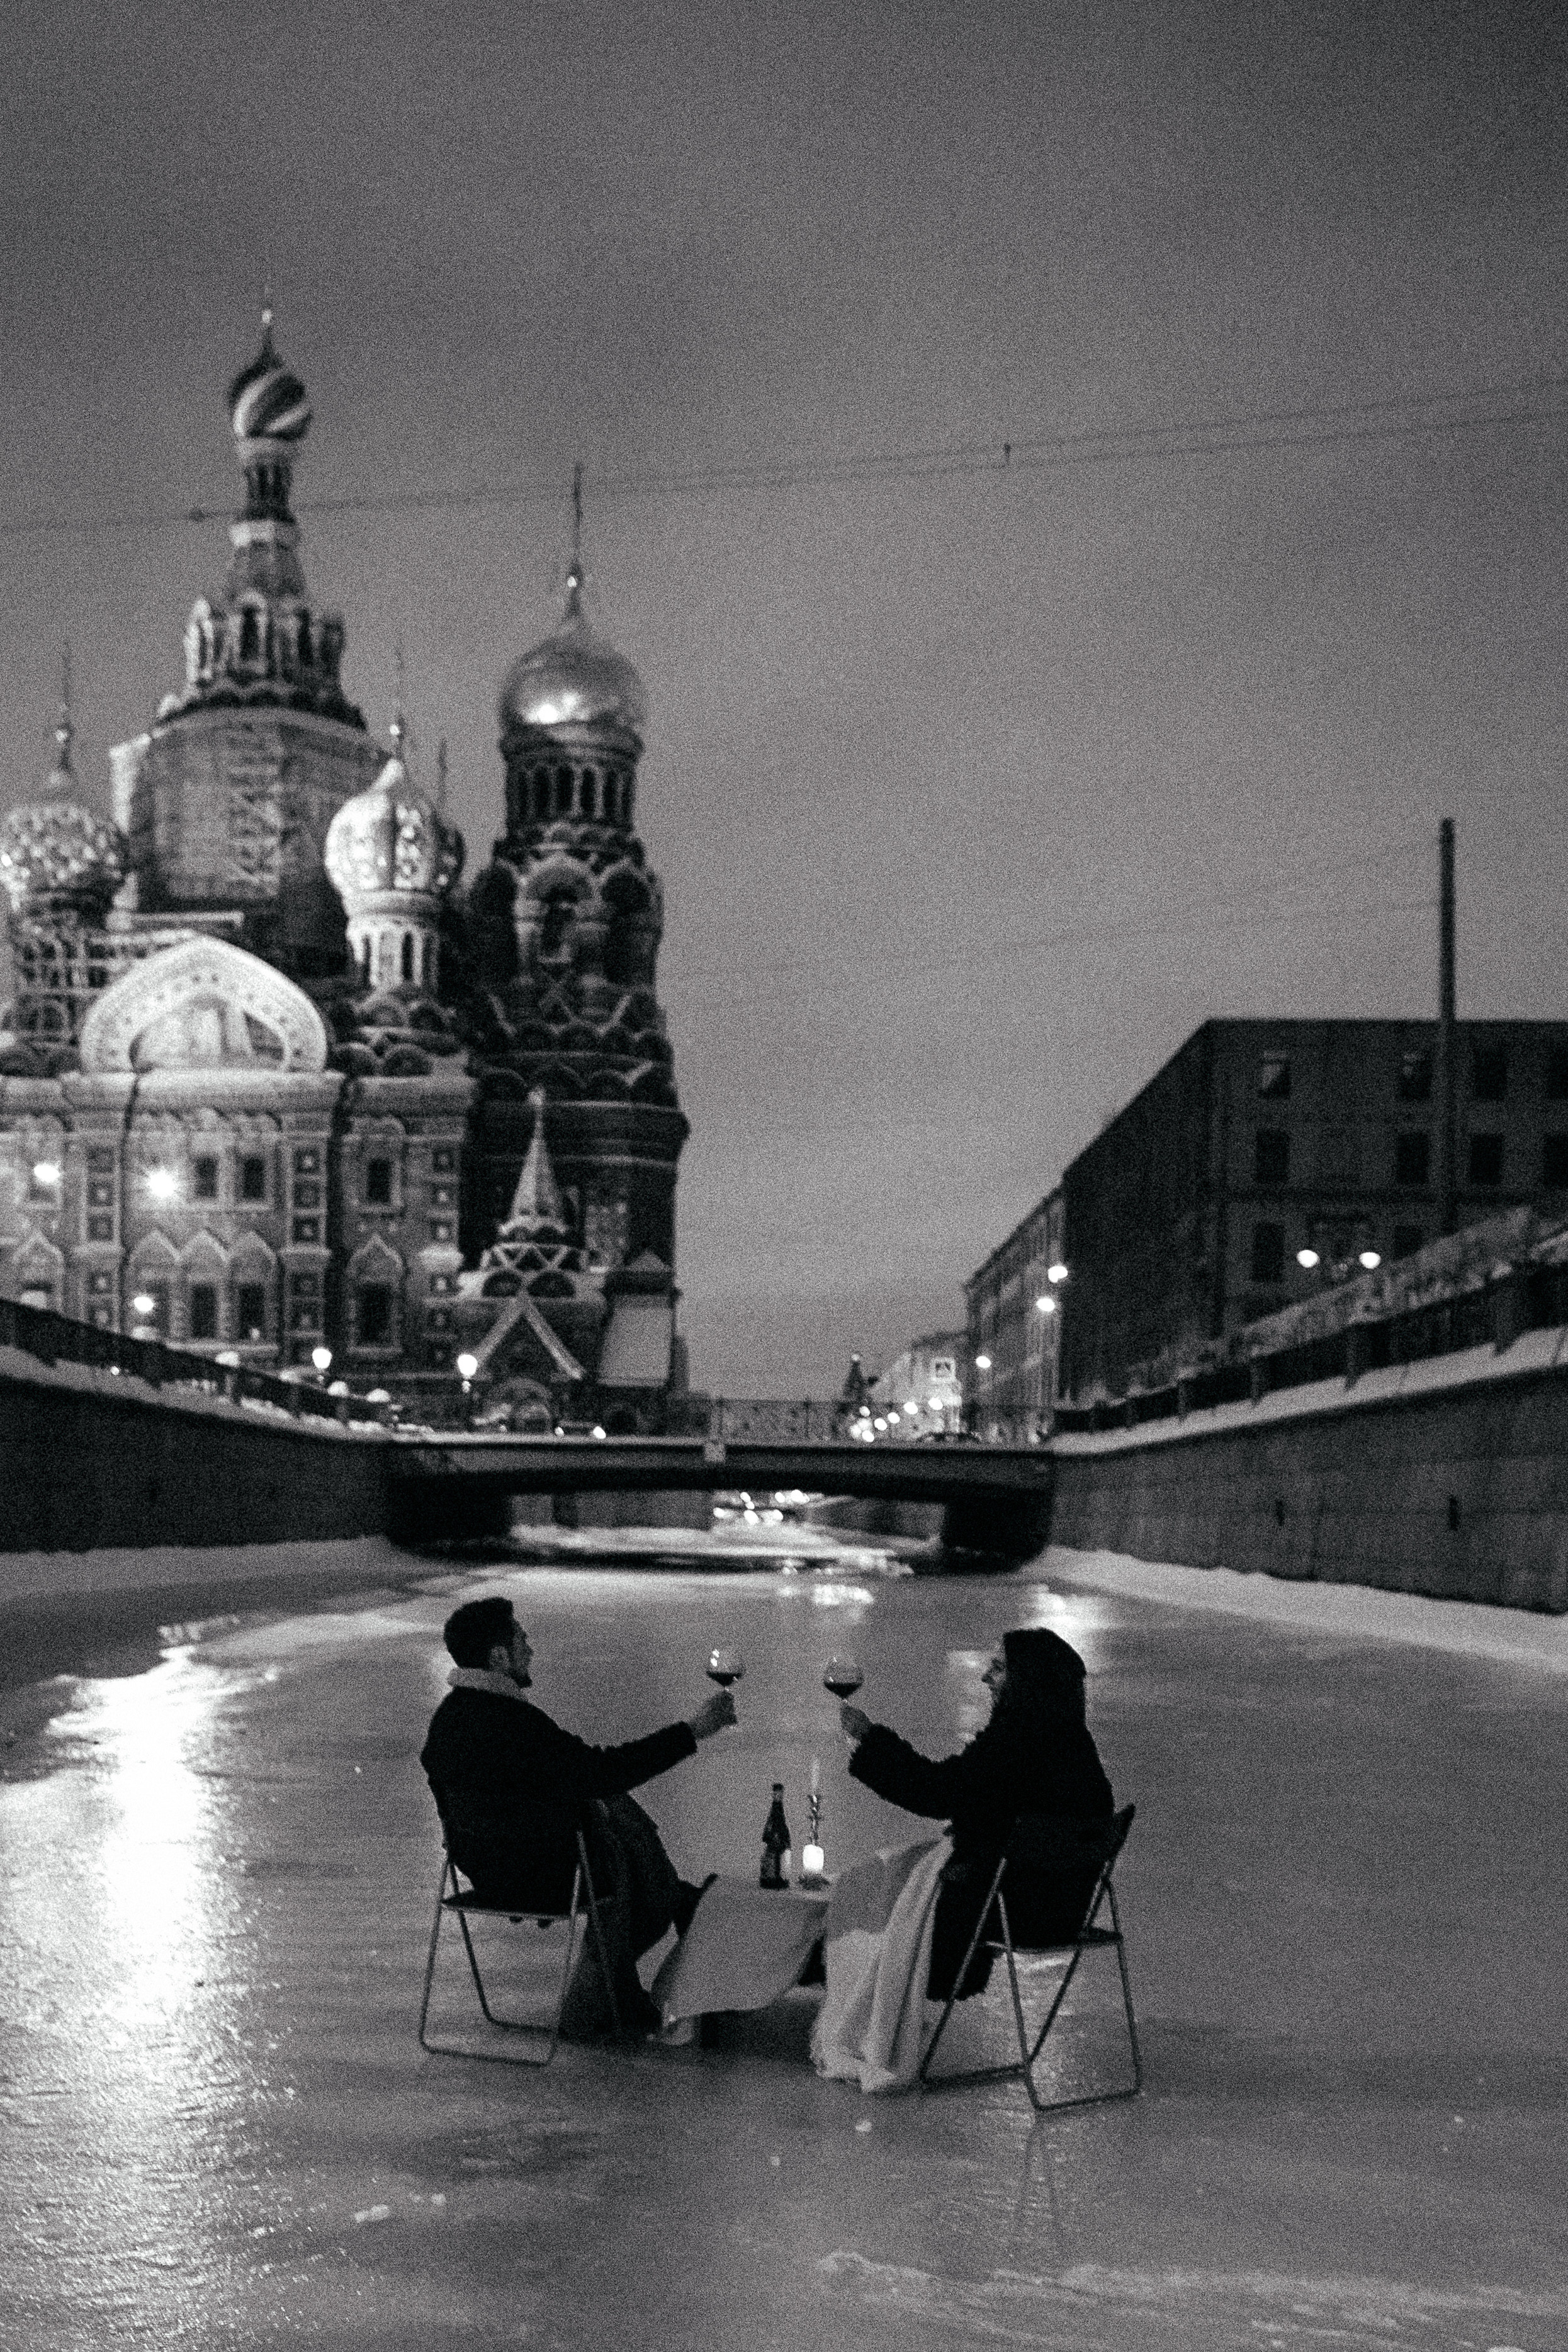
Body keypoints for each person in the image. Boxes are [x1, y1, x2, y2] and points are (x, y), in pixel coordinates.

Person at [420, 1595, 736, 2039]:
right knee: (611, 1825)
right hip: (542, 1876)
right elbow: (602, 1771)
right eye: (521, 1640)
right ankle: (643, 1950)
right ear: (498, 1657)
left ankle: (664, 1921)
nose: (530, 1650)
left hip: (483, 1871)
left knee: (609, 1812)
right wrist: (693, 1731)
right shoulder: (512, 1723)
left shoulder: (447, 1721)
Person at [838, 1626, 1113, 1999]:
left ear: (1027, 1680)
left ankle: (860, 1984)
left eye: (998, 1668)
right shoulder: (1077, 1747)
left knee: (874, 1888)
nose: (986, 1677)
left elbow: (937, 1792)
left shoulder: (1013, 1743)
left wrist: (871, 1740)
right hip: (1067, 1912)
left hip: (1006, 1907)